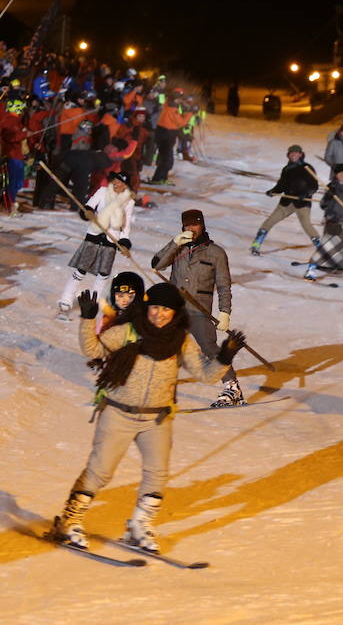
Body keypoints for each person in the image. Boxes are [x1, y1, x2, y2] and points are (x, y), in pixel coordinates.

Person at [50, 282, 242, 553]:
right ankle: (69, 521)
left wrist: (225, 356)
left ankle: (139, 527)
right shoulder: (129, 331)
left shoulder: (181, 341)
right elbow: (94, 350)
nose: (159, 314)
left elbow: (206, 374)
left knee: (157, 473)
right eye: (155, 308)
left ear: (175, 313)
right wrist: (88, 319)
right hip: (119, 412)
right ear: (146, 307)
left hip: (156, 419)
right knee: (100, 471)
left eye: (166, 309)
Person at [151, 209, 242, 406]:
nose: (191, 228)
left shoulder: (216, 253)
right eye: (187, 225)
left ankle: (232, 387)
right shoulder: (178, 247)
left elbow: (223, 285)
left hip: (199, 309)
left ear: (202, 225)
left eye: (195, 224)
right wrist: (174, 243)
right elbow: (157, 265)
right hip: (174, 309)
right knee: (166, 346)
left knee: (209, 348)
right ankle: (161, 385)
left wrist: (224, 312)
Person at [56, 171, 136, 316]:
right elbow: (89, 206)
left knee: (103, 273)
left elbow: (126, 225)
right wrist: (88, 212)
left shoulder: (128, 201)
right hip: (94, 234)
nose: (116, 184)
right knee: (81, 269)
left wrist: (124, 242)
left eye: (120, 182)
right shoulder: (103, 191)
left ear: (126, 186)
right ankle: (66, 298)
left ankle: (94, 301)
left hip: (112, 239)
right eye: (115, 180)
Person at [250, 145, 320, 255]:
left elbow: (314, 186)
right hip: (286, 202)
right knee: (269, 221)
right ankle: (256, 245)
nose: (294, 155)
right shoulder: (286, 169)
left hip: (302, 203)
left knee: (307, 225)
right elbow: (281, 185)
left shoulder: (307, 168)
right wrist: (273, 191)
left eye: (296, 153)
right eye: (292, 153)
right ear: (288, 155)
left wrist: (305, 194)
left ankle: (321, 249)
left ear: (300, 154)